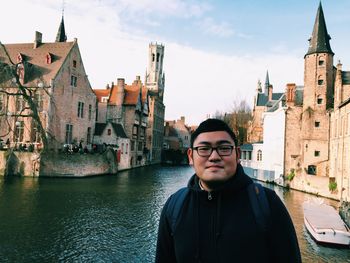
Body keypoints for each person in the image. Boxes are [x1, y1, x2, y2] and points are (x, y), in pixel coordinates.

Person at [155, 118, 301, 263]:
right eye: (204, 149)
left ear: (237, 155)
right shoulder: (174, 207)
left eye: (224, 148)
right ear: (190, 156)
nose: (214, 157)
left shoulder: (267, 204)